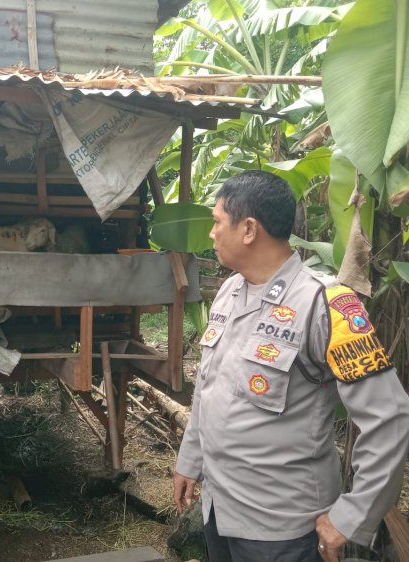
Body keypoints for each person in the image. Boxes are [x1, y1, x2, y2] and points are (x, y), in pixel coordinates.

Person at [173, 171, 409, 562]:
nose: (212, 234)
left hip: (282, 530)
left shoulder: (326, 306)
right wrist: (190, 461)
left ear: (248, 229)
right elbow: (209, 389)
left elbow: (391, 418)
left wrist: (349, 518)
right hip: (220, 511)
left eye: (217, 223)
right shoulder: (230, 292)